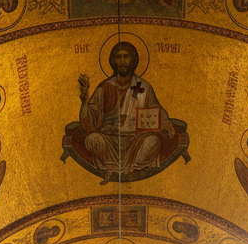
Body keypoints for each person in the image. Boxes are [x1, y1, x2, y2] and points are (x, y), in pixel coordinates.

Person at [68, 40, 187, 182]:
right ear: (113, 61)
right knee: (92, 140)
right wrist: (84, 101)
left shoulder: (143, 86)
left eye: (126, 57)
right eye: (119, 57)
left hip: (136, 140)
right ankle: (111, 168)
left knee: (153, 142)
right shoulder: (104, 87)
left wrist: (165, 122)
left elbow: (157, 109)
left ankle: (135, 168)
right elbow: (90, 120)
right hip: (110, 138)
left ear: (133, 60)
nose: (123, 61)